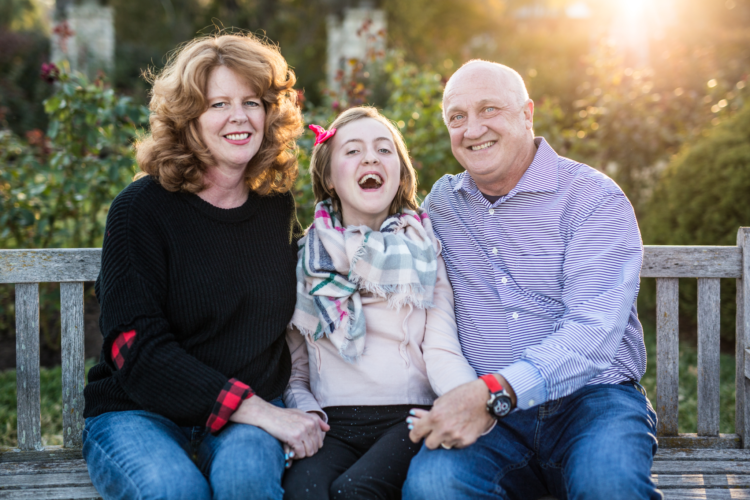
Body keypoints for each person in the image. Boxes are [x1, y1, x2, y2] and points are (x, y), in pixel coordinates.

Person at [81, 34, 328, 500]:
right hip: (139, 411)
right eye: (218, 104)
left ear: (269, 113)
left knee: (247, 483)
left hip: (249, 414)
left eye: (251, 102)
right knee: (174, 489)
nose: (239, 117)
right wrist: (256, 408)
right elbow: (135, 350)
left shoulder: (275, 207)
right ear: (188, 119)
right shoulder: (141, 210)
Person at [402, 60, 662, 500]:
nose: (472, 129)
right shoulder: (444, 204)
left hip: (592, 403)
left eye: (489, 109)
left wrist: (493, 392)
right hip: (492, 419)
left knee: (609, 485)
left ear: (527, 115)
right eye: (457, 117)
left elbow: (593, 333)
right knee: (433, 486)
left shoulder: (592, 198)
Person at [281, 106, 479, 500]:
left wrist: (468, 402)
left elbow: (440, 346)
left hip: (406, 417)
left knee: (356, 492)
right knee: (304, 491)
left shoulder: (424, 251)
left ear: (401, 174)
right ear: (329, 177)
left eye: (383, 149)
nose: (370, 157)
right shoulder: (305, 258)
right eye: (352, 151)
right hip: (331, 421)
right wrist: (303, 412)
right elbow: (295, 367)